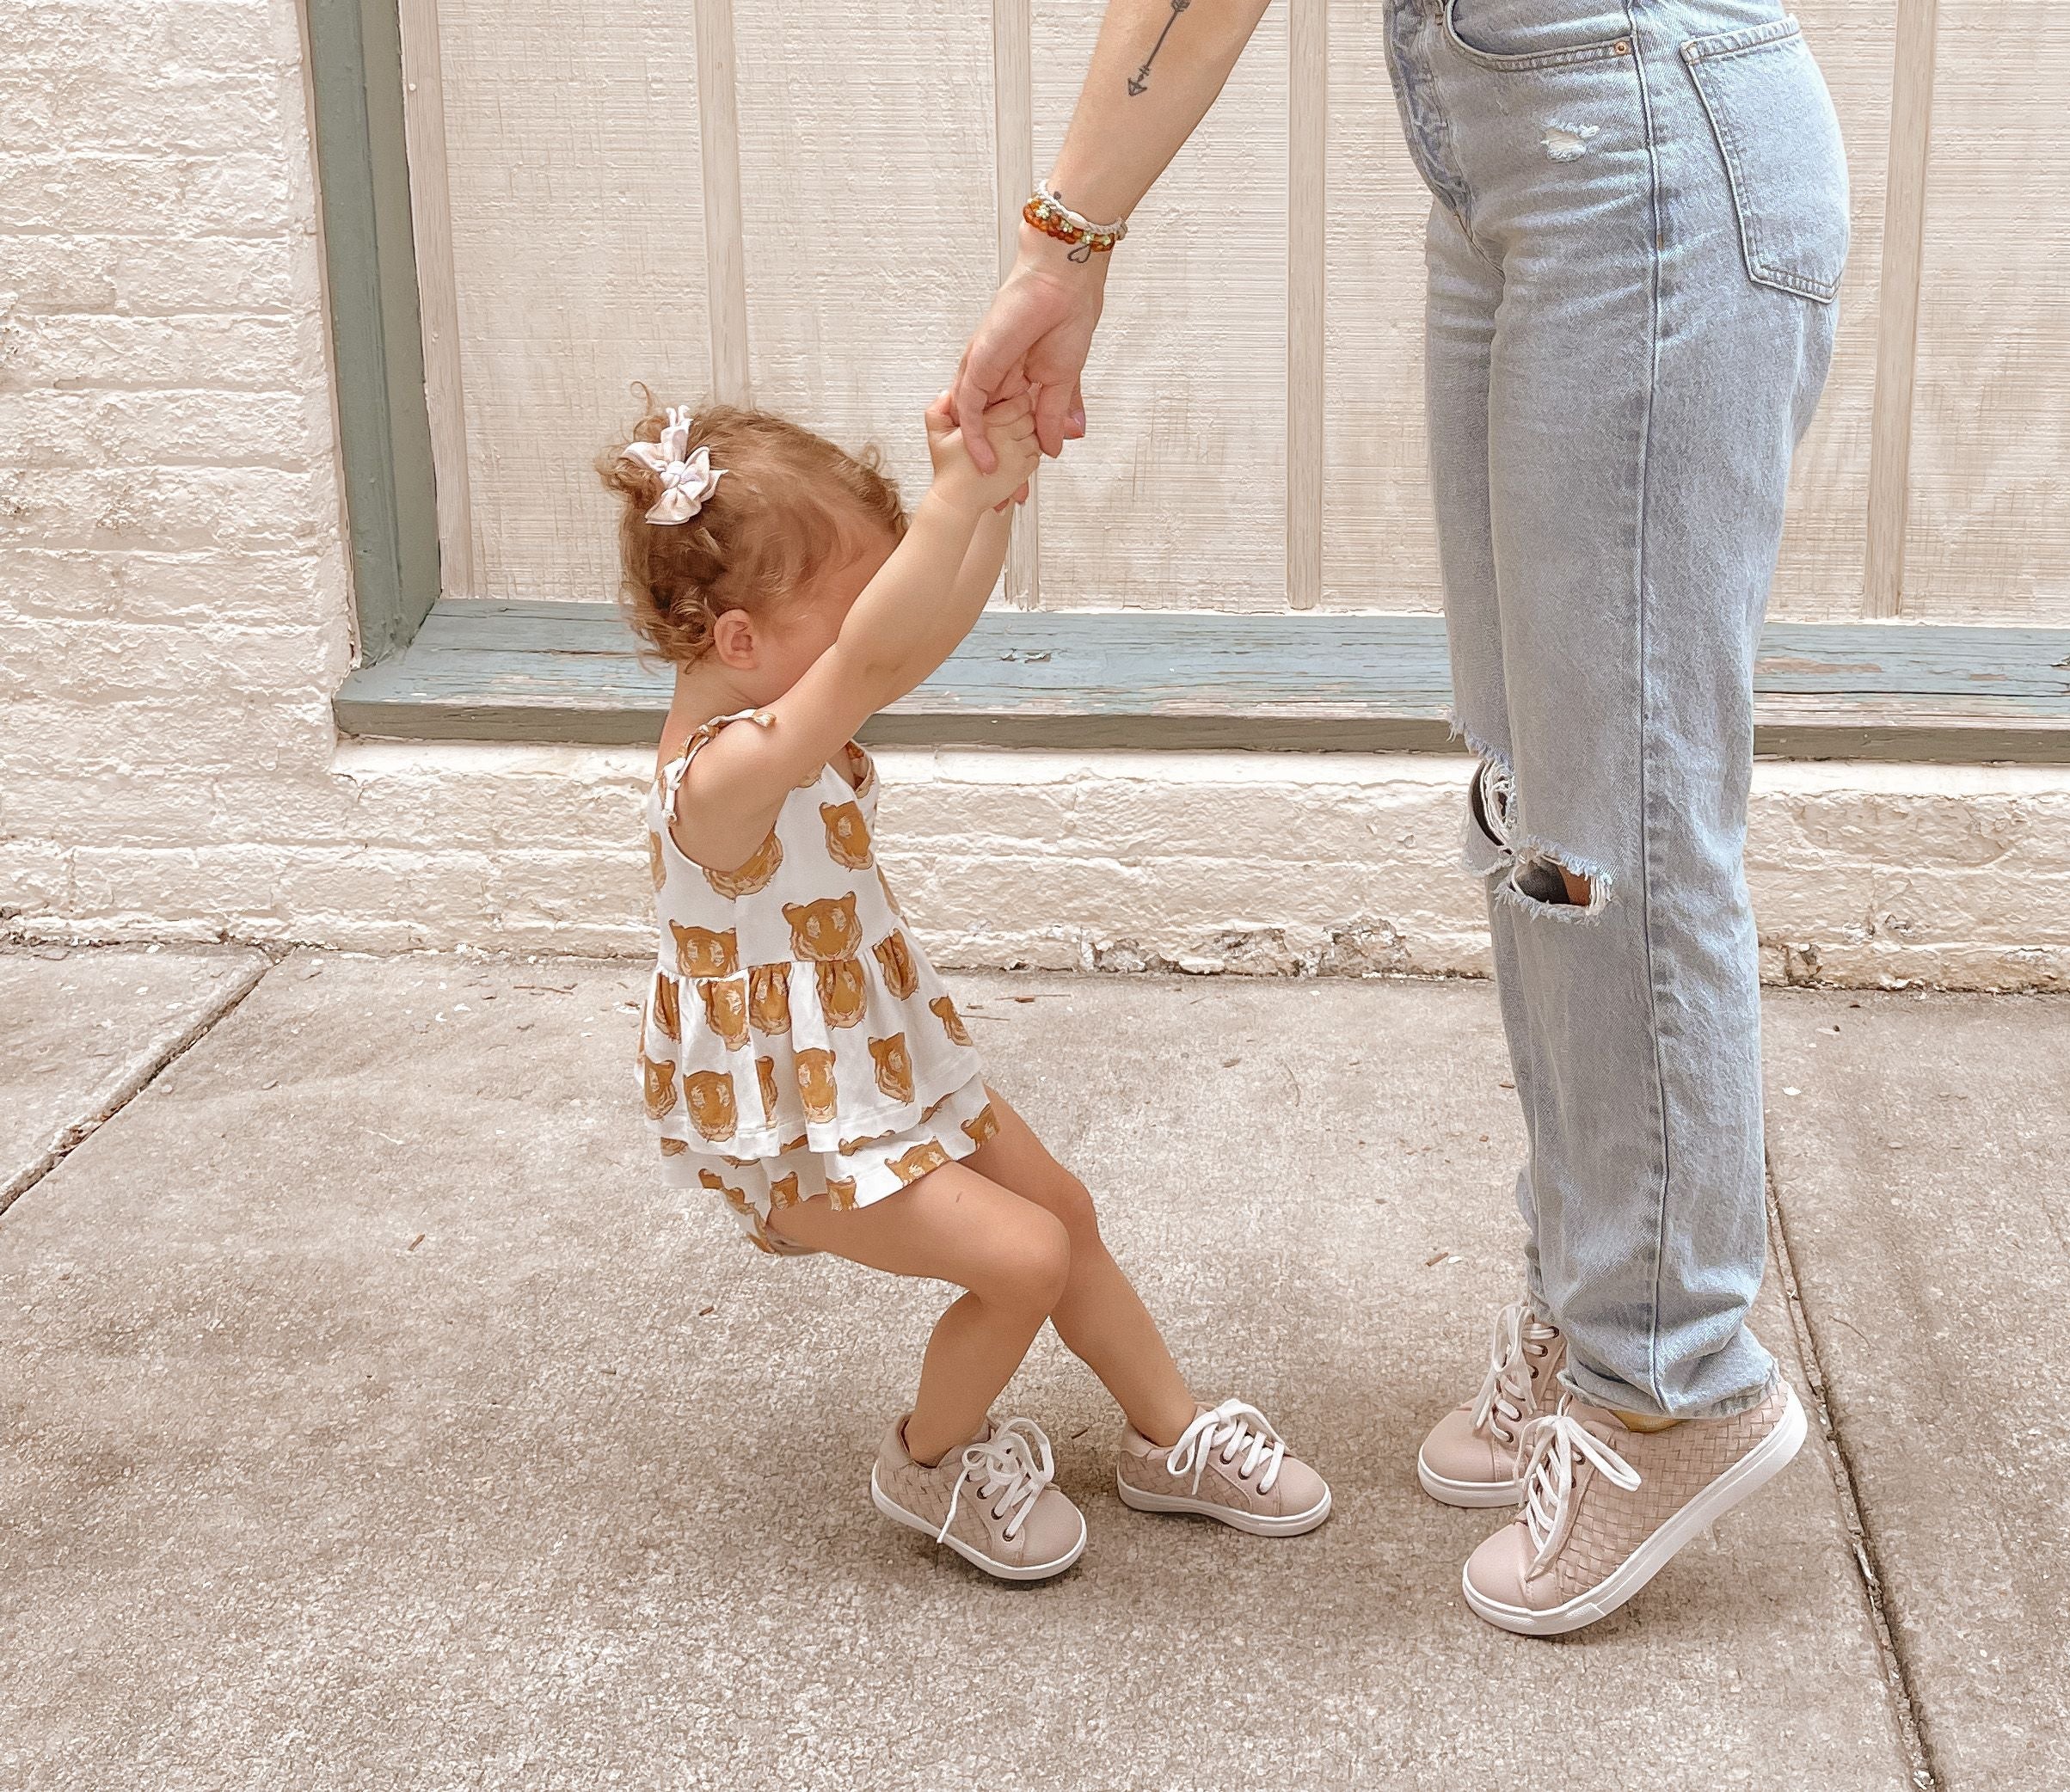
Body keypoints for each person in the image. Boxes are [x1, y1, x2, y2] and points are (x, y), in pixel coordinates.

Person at [953, 0, 1847, 1633]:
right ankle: (1597, 1311)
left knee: (1619, 818)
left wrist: (1068, 241)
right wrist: (1070, 243)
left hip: (1637, 149)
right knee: (1538, 797)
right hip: (1522, 159)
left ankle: (1673, 1377)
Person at [609, 391, 1332, 1583]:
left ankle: (1169, 1438)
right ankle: (928, 1461)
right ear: (741, 642)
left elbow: (916, 635)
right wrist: (952, 502)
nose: (872, 645)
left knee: (1067, 1211)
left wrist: (986, 502)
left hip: (884, 1068)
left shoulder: (786, 714)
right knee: (1024, 1257)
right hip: (798, 1134)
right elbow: (882, 649)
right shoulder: (726, 776)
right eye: (846, 615)